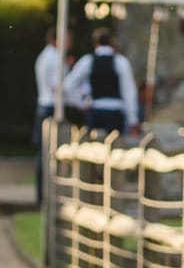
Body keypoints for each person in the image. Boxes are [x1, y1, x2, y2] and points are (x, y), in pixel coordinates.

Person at [62, 28, 141, 135]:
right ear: (111, 42)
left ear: (94, 43)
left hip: (96, 112)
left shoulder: (88, 61)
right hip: (115, 113)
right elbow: (129, 92)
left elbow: (68, 85)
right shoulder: (121, 62)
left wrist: (81, 103)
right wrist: (133, 119)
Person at [32, 31, 68, 201]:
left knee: (43, 151)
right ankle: (48, 195)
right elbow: (57, 87)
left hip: (43, 104)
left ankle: (41, 194)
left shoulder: (45, 56)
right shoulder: (54, 58)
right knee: (49, 151)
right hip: (51, 106)